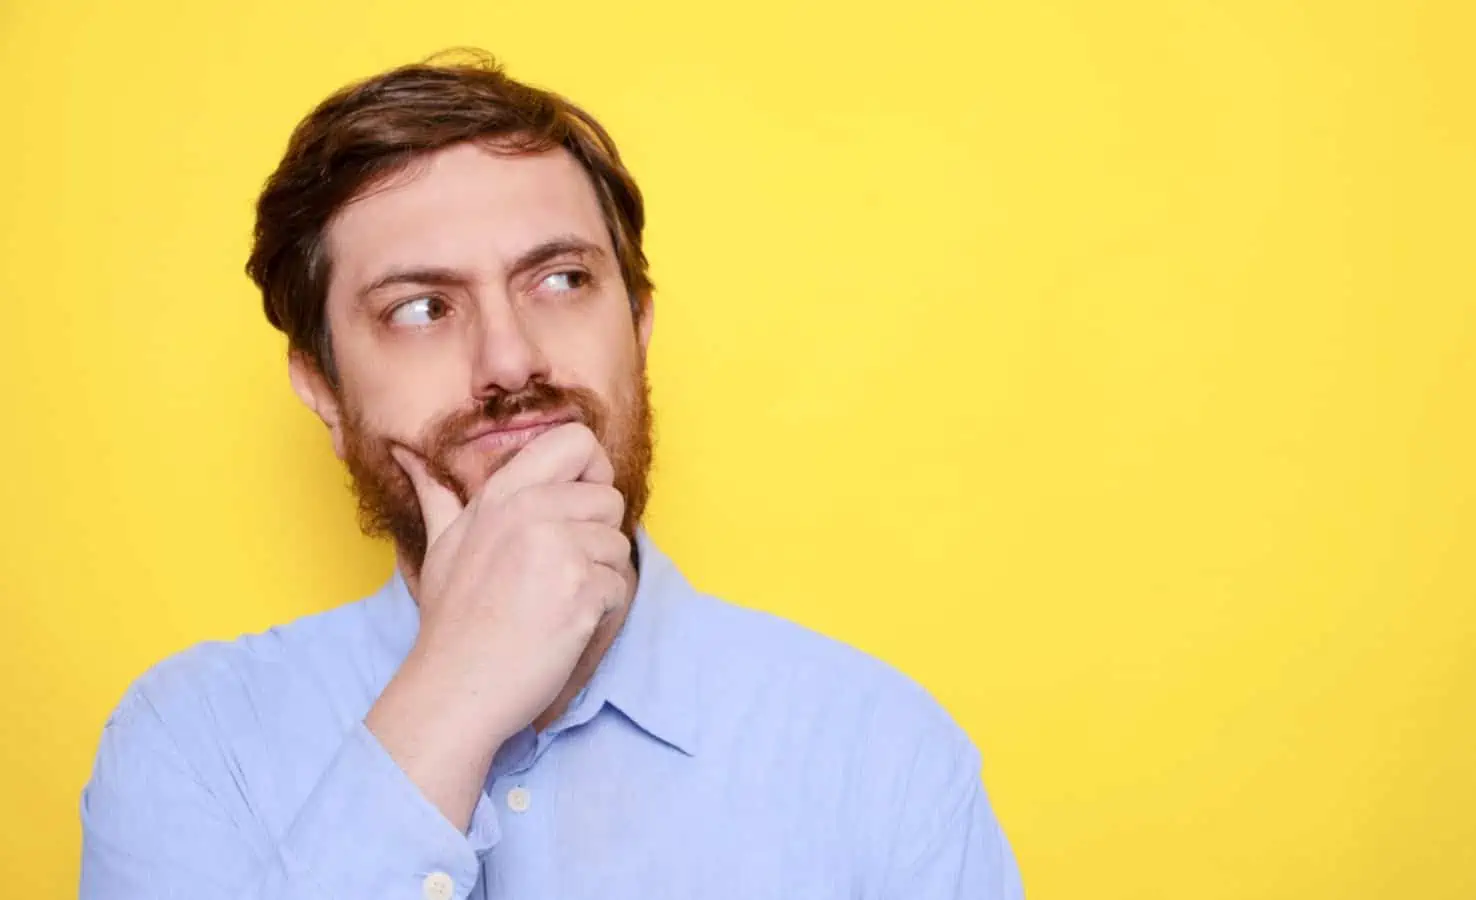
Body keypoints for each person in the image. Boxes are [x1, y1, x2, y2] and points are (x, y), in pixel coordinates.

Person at [79, 51, 1023, 900]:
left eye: (561, 280)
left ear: (639, 327)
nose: (510, 360)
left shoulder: (882, 754)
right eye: (420, 308)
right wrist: (453, 688)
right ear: (323, 390)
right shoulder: (191, 747)